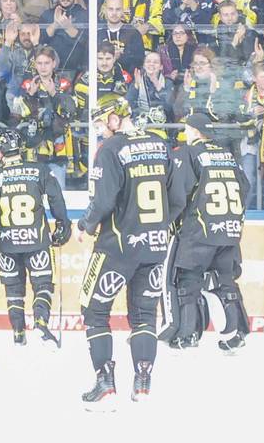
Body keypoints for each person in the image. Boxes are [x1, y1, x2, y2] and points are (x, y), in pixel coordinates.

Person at [75, 95, 173, 408]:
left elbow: (102, 201)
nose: (99, 130)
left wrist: (84, 225)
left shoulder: (111, 149)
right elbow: (176, 194)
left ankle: (105, 382)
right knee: (145, 315)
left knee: (94, 310)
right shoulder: (160, 144)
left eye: (101, 122)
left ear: (116, 117)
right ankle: (143, 384)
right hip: (156, 245)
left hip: (116, 246)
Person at [166, 115, 249, 350]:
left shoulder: (189, 153)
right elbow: (246, 186)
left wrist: (168, 221)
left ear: (194, 131)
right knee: (225, 280)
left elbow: (179, 194)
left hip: (199, 229)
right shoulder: (228, 154)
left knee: (188, 281)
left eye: (187, 129)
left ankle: (188, 334)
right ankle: (236, 334)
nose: (185, 133)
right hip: (229, 228)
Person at [0, 128, 69, 345]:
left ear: (1, 151)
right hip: (36, 240)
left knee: (14, 289)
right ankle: (41, 320)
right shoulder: (38, 170)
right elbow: (56, 198)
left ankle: (18, 332)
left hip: (7, 242)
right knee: (42, 284)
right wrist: (62, 224)